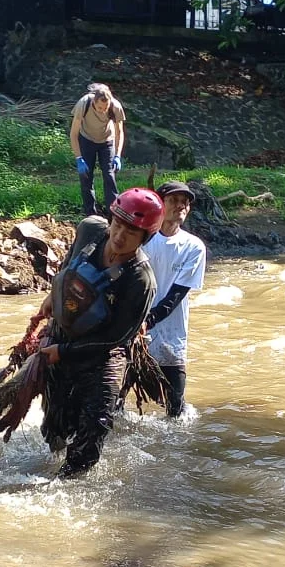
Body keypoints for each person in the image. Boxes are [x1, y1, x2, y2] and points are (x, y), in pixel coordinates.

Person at [38, 187, 162, 478]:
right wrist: (51, 296)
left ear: (145, 237)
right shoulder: (91, 230)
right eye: (117, 225)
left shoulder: (140, 279)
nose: (119, 236)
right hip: (62, 336)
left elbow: (116, 337)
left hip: (101, 358)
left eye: (131, 233)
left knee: (88, 442)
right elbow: (68, 264)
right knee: (53, 430)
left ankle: (65, 487)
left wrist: (64, 353)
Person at [142, 181, 207, 418]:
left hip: (172, 332)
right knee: (115, 399)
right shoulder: (142, 239)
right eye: (174, 200)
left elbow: (176, 295)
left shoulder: (194, 247)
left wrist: (148, 321)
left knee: (176, 411)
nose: (180, 206)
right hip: (132, 330)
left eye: (185, 202)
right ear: (160, 204)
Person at [69, 83, 126, 217]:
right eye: (100, 107)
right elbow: (73, 134)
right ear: (94, 101)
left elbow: (119, 132)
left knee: (109, 175)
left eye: (105, 108)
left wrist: (117, 155)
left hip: (107, 141)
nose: (103, 111)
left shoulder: (115, 107)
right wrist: (79, 158)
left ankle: (113, 214)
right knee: (86, 177)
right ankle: (90, 213)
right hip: (87, 139)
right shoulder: (83, 104)